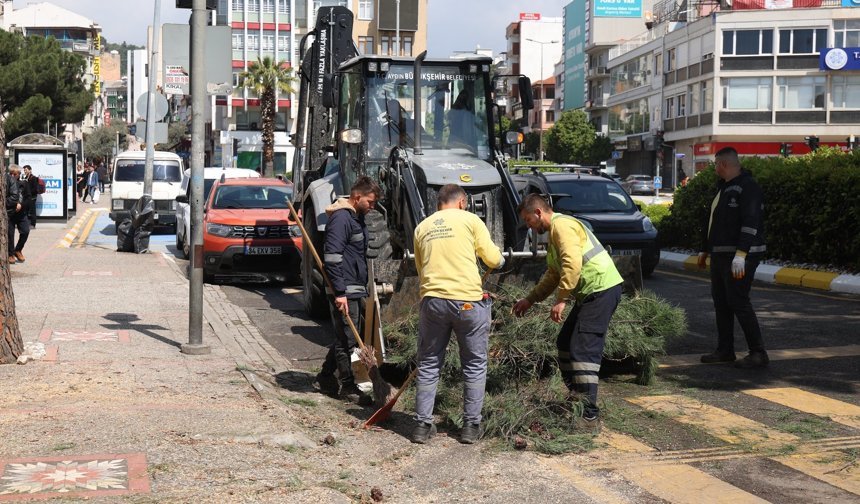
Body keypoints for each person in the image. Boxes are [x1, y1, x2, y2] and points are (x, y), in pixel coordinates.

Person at [512, 193, 623, 425]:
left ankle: (588, 415)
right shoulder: (553, 235)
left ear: (539, 212)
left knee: (583, 351)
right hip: (591, 292)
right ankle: (577, 397)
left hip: (601, 289)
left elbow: (572, 264)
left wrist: (561, 299)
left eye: (529, 220)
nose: (529, 226)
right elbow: (554, 273)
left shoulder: (562, 227)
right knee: (564, 343)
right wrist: (529, 300)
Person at [410, 184, 504, 444]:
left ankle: (420, 426)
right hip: (467, 303)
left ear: (439, 203)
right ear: (462, 202)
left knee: (429, 363)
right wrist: (502, 261)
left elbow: (421, 268)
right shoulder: (471, 220)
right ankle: (471, 428)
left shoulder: (422, 227)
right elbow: (493, 260)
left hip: (433, 302)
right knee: (474, 365)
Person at [697, 147, 768, 368]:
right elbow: (713, 222)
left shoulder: (748, 188)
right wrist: (705, 248)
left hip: (740, 256)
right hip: (721, 254)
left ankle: (758, 352)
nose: (715, 169)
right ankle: (725, 350)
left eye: (716, 164)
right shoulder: (724, 188)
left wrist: (741, 254)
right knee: (722, 303)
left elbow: (751, 222)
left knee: (738, 301)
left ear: (724, 164)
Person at [314, 176, 382, 405]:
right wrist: (340, 293)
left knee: (346, 336)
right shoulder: (342, 219)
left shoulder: (356, 217)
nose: (372, 207)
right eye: (370, 202)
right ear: (356, 197)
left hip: (353, 287)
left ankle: (325, 377)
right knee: (347, 340)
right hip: (343, 289)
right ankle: (348, 386)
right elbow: (332, 258)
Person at [5, 164, 27, 264]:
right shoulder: (6, 182)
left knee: (25, 231)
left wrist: (21, 204)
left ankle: (18, 249)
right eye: (11, 173)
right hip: (10, 213)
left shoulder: (23, 183)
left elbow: (28, 198)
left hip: (21, 214)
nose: (13, 176)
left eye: (15, 174)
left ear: (19, 174)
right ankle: (10, 254)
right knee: (10, 234)